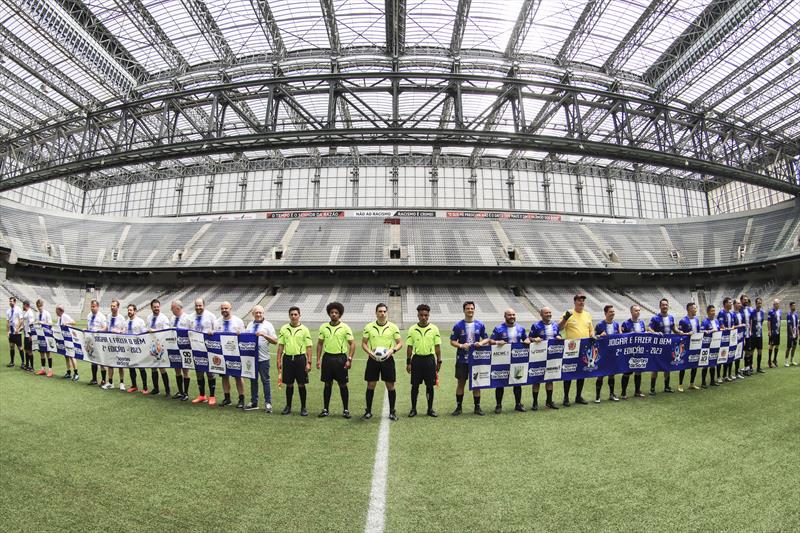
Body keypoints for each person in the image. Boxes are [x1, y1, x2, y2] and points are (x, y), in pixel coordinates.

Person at [362, 303, 403, 421]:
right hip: (373, 359)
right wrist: (370, 353)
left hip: (388, 359)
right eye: (380, 311)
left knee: (390, 385)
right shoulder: (369, 327)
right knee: (370, 385)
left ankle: (392, 412)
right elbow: (364, 343)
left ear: (387, 313)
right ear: (376, 313)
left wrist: (392, 350)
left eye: (384, 311)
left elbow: (400, 343)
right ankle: (368, 411)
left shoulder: (393, 327)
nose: (382, 314)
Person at [316, 302, 355, 419]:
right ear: (329, 313)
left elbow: (352, 344)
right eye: (332, 312)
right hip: (327, 358)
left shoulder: (345, 327)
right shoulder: (323, 327)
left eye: (336, 313)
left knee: (343, 384)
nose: (334, 314)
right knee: (327, 384)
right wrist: (318, 359)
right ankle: (325, 409)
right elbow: (319, 344)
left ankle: (346, 410)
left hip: (340, 359)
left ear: (340, 314)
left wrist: (349, 359)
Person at [450, 301, 489, 416]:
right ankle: (458, 407)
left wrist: (481, 343)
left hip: (476, 359)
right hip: (462, 359)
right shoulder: (458, 326)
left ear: (474, 310)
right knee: (461, 383)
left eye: (472, 308)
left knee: (477, 383)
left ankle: (477, 407)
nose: (470, 310)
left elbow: (486, 339)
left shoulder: (480, 325)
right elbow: (452, 341)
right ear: (464, 310)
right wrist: (461, 345)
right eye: (468, 308)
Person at [406, 304, 442, 418]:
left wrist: (439, 361)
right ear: (418, 315)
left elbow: (437, 346)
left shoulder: (434, 329)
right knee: (415, 386)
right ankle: (413, 409)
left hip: (429, 360)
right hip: (416, 360)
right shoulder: (412, 329)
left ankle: (430, 409)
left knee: (430, 386)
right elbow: (409, 347)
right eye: (421, 315)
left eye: (426, 315)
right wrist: (408, 362)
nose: (423, 317)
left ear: (428, 315)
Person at [276, 306, 312, 416]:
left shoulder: (304, 329)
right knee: (289, 384)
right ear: (289, 315)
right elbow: (281, 345)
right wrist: (278, 359)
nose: (293, 316)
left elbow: (309, 347)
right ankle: (288, 406)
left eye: (295, 314)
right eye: (291, 314)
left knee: (301, 384)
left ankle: (303, 407)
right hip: (287, 359)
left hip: (300, 359)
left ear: (299, 315)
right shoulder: (284, 328)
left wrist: (309, 362)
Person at [490, 308, 527, 413]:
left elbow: (526, 339)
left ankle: (518, 404)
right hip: (502, 360)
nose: (512, 317)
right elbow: (491, 340)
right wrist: (497, 342)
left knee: (517, 381)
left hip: (517, 360)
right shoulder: (498, 328)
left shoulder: (521, 328)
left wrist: (528, 340)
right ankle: (498, 405)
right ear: (505, 316)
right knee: (500, 383)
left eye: (513, 315)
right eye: (509, 315)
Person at [558, 293, 592, 406]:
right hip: (571, 349)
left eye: (583, 300)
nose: (581, 302)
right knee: (569, 372)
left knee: (582, 373)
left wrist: (592, 335)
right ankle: (566, 397)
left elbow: (591, 330)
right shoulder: (569, 313)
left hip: (584, 348)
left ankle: (578, 396)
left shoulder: (587, 315)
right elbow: (559, 328)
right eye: (579, 300)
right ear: (575, 301)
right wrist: (565, 318)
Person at [244, 305, 277, 413]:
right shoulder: (249, 325)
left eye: (260, 313)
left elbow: (275, 341)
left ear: (263, 313)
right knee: (253, 380)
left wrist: (264, 335)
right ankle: (254, 402)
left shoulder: (268, 325)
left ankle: (268, 403)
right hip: (251, 358)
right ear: (252, 314)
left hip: (263, 358)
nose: (258, 314)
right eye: (256, 313)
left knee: (265, 381)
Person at [213, 302, 246, 408]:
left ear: (230, 308)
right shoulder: (217, 322)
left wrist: (240, 335)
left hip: (235, 354)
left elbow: (245, 337)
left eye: (226, 308)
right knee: (224, 377)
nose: (224, 310)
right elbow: (214, 337)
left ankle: (241, 399)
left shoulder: (238, 321)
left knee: (238, 377)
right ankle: (227, 398)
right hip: (222, 355)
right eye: (222, 308)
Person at [528, 307, 560, 410]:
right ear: (541, 314)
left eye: (550, 312)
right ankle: (535, 403)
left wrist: (558, 336)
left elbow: (557, 334)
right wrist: (534, 339)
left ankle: (549, 401)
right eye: (546, 313)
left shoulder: (555, 325)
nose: (549, 314)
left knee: (550, 379)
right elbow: (529, 338)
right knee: (537, 379)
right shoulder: (536, 326)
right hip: (539, 356)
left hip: (552, 357)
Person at [188, 298, 217, 405]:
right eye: (197, 306)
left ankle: (212, 396)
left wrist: (212, 332)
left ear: (204, 305)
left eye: (200, 305)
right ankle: (202, 395)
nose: (198, 308)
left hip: (208, 349)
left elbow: (217, 331)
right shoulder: (190, 317)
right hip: (196, 349)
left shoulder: (211, 316)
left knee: (210, 373)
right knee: (199, 373)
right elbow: (187, 331)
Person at [647, 298, 678, 394]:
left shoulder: (671, 317)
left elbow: (674, 329)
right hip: (657, 347)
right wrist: (655, 333)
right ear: (660, 306)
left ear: (668, 306)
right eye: (663, 305)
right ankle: (652, 389)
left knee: (667, 367)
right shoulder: (655, 318)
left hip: (668, 346)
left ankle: (667, 387)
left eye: (666, 305)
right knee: (655, 367)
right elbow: (649, 329)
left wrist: (683, 333)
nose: (665, 306)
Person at [145, 299, 172, 397]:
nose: (156, 308)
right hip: (151, 345)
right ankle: (156, 388)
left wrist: (154, 330)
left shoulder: (164, 318)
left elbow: (166, 331)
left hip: (161, 346)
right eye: (154, 307)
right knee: (153, 367)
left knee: (162, 368)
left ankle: (167, 391)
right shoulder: (148, 317)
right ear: (151, 307)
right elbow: (146, 329)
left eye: (158, 307)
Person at [593, 305, 620, 403]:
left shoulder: (616, 324)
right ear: (605, 313)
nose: (612, 313)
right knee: (601, 374)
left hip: (613, 353)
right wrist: (599, 335)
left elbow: (621, 337)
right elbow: (593, 336)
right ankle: (597, 396)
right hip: (603, 353)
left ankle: (611, 394)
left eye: (613, 311)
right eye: (610, 312)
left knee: (612, 374)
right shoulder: (600, 325)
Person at [620, 305, 646, 399]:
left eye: (639, 310)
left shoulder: (642, 323)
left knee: (638, 372)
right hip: (629, 352)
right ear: (631, 312)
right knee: (627, 372)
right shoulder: (626, 324)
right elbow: (621, 338)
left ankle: (637, 391)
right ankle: (623, 393)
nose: (638, 312)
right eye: (636, 310)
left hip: (639, 351)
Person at [170, 300, 194, 400]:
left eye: (172, 308)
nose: (171, 309)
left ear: (178, 308)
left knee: (185, 371)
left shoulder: (188, 318)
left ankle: (186, 393)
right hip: (174, 347)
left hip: (185, 348)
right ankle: (180, 391)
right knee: (177, 370)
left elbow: (192, 332)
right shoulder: (172, 318)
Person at [102, 299, 127, 391]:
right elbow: (106, 328)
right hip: (109, 344)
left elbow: (125, 330)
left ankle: (121, 383)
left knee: (120, 364)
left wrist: (119, 331)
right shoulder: (108, 316)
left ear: (118, 307)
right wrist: (97, 331)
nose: (112, 308)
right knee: (110, 364)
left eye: (114, 306)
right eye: (111, 306)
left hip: (119, 344)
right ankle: (110, 383)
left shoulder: (121, 318)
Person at [124, 304, 149, 394]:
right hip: (129, 349)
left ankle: (145, 387)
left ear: (135, 311)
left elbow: (144, 334)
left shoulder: (140, 321)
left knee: (141, 368)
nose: (129, 312)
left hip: (138, 349)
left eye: (130, 310)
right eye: (128, 310)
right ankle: (134, 385)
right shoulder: (126, 322)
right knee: (131, 368)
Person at [677, 302, 701, 392]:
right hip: (686, 346)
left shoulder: (697, 320)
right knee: (683, 365)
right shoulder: (683, 321)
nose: (695, 310)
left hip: (696, 345)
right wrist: (687, 334)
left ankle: (692, 383)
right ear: (689, 309)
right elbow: (679, 333)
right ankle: (680, 384)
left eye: (696, 308)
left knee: (694, 364)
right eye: (694, 308)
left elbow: (698, 332)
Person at [85, 299, 108, 386]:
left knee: (101, 360)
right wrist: (86, 330)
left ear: (97, 307)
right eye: (91, 306)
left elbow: (105, 328)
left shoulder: (101, 316)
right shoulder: (89, 315)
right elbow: (88, 326)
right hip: (91, 341)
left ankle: (103, 380)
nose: (92, 308)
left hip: (99, 341)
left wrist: (98, 331)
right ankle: (94, 379)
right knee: (93, 359)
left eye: (94, 306)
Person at [55, 305, 78, 380]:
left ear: (60, 310)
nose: (56, 312)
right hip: (64, 339)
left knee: (71, 356)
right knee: (66, 356)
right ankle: (68, 372)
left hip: (69, 339)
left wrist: (67, 323)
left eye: (56, 310)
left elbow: (74, 322)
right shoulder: (59, 318)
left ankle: (76, 373)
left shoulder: (65, 316)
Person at [700, 305, 721, 388]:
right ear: (708, 312)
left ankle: (712, 381)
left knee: (713, 363)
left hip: (715, 345)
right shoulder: (705, 321)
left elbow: (719, 330)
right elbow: (701, 331)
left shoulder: (716, 321)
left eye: (714, 311)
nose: (713, 312)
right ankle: (703, 382)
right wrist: (711, 331)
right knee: (705, 364)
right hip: (706, 345)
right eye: (712, 311)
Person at [715, 297, 735, 383]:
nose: (731, 304)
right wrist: (728, 329)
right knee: (721, 357)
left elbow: (733, 325)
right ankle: (719, 376)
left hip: (730, 339)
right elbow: (721, 326)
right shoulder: (721, 313)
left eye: (731, 303)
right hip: (723, 339)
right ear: (725, 304)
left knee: (729, 357)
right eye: (729, 303)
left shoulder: (731, 314)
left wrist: (732, 329)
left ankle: (726, 375)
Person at [33, 299, 54, 377]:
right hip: (40, 336)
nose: (39, 308)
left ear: (43, 305)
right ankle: (43, 369)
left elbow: (51, 324)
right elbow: (35, 322)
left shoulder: (47, 313)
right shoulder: (37, 314)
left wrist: (43, 323)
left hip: (47, 336)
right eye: (38, 306)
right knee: (41, 353)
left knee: (48, 353)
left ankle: (50, 370)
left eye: (40, 306)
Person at [6, 296, 22, 368]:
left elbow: (21, 320)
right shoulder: (8, 311)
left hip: (17, 333)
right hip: (11, 332)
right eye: (9, 301)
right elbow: (8, 322)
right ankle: (12, 362)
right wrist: (7, 331)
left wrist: (17, 329)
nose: (10, 302)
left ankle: (23, 362)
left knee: (20, 348)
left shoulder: (18, 309)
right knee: (11, 346)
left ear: (15, 302)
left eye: (11, 301)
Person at [751, 297, 766, 374]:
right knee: (752, 351)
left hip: (760, 335)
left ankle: (758, 367)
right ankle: (750, 367)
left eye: (760, 303)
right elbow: (750, 324)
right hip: (753, 335)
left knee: (760, 351)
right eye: (758, 303)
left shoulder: (762, 312)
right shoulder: (752, 312)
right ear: (755, 304)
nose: (759, 304)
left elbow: (761, 322)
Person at [739, 295, 753, 377]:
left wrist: (750, 330)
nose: (746, 301)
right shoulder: (739, 310)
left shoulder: (749, 310)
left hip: (748, 334)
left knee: (748, 351)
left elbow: (750, 321)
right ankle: (738, 370)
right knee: (740, 352)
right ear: (741, 301)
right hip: (741, 334)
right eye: (744, 300)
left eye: (747, 300)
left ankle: (747, 368)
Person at [21, 300, 36, 372]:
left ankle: (32, 367)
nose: (22, 306)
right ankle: (27, 365)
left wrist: (30, 334)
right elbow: (26, 323)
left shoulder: (30, 313)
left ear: (25, 305)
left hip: (29, 335)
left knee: (30, 351)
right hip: (26, 334)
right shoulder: (27, 312)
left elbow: (31, 324)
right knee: (26, 350)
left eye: (23, 305)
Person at [767, 299, 782, 369]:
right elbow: (769, 321)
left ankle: (774, 359)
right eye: (776, 303)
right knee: (771, 345)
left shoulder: (780, 311)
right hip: (772, 332)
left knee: (777, 345)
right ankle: (769, 360)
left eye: (778, 303)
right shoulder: (771, 312)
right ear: (773, 304)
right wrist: (769, 330)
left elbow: (779, 321)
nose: (777, 304)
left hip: (778, 331)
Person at [785, 302, 798, 366]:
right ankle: (786, 361)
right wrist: (792, 333)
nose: (794, 307)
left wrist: (797, 332)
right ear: (790, 307)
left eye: (795, 306)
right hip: (790, 334)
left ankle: (792, 360)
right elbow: (789, 325)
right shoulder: (788, 315)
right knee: (789, 347)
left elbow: (796, 324)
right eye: (793, 306)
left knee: (794, 347)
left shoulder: (796, 314)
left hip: (795, 333)